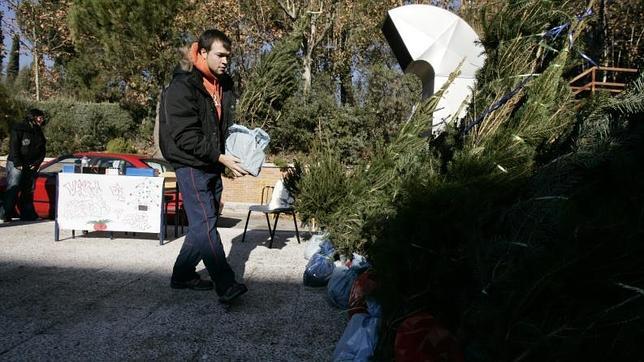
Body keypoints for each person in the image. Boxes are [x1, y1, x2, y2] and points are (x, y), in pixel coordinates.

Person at [159, 29, 249, 304]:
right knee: (205, 225)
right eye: (220, 55)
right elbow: (185, 136)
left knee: (202, 225)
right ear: (201, 52)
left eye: (228, 56)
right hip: (190, 164)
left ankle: (183, 275)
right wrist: (220, 157)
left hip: (211, 163)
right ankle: (226, 283)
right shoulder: (182, 87)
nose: (225, 61)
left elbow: (221, 130)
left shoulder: (223, 85)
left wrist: (230, 157)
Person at [1, 108, 47, 223]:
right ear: (33, 117)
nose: (42, 120)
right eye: (40, 117)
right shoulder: (19, 128)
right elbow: (14, 147)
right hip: (16, 164)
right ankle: (4, 214)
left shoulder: (38, 131)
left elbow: (42, 149)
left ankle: (27, 214)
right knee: (14, 187)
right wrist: (17, 163)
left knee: (28, 190)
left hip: (30, 165)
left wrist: (36, 163)